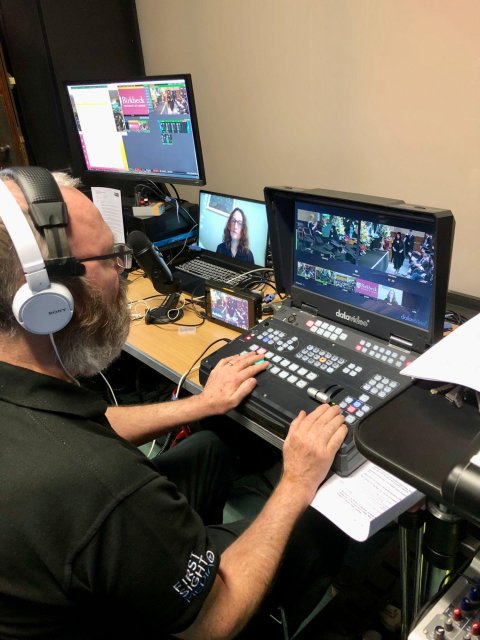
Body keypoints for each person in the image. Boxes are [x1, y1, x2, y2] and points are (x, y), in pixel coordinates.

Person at [0, 168, 348, 638]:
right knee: (322, 522)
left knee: (210, 447)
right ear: (49, 298)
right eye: (111, 257)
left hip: (69, 560)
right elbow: (213, 624)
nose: (125, 271)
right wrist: (297, 483)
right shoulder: (106, 487)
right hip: (187, 617)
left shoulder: (25, 392)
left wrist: (202, 404)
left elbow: (90, 424)